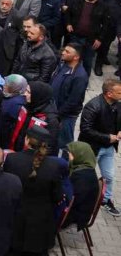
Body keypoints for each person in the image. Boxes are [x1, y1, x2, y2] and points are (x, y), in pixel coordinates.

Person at [3, 124, 64, 256]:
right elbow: (57, 196)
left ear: (26, 140)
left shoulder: (12, 160)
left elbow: (6, 188)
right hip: (40, 226)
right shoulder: (53, 166)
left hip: (15, 222)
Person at [78, 78, 121, 216]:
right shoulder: (93, 106)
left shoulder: (117, 105)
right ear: (109, 93)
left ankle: (105, 200)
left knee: (109, 176)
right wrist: (108, 137)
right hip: (92, 148)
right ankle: (78, 200)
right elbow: (86, 129)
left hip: (108, 148)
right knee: (82, 175)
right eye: (119, 93)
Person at [50, 44, 88, 149]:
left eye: (67, 52)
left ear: (76, 57)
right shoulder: (62, 65)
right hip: (54, 110)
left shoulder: (80, 76)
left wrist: (58, 115)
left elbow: (73, 101)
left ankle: (64, 164)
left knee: (64, 144)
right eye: (64, 50)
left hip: (66, 116)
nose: (63, 53)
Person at [64, 141, 101, 231]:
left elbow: (71, 201)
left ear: (79, 155)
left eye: (70, 153)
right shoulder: (86, 169)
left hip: (75, 216)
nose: (68, 155)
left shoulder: (81, 177)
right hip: (80, 211)